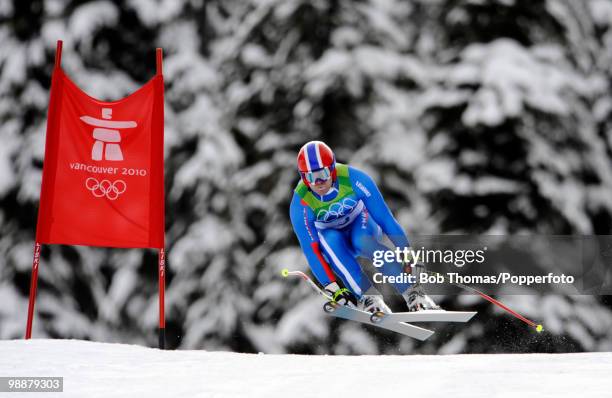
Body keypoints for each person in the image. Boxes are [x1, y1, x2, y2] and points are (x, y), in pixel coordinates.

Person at [289, 140, 439, 314]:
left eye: (322, 174)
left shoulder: (354, 179)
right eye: (310, 177)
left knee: (363, 241)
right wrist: (333, 288)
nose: (318, 182)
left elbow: (385, 219)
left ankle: (413, 293)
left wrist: (407, 254)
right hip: (335, 243)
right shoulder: (300, 203)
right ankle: (369, 297)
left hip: (361, 226)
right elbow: (311, 250)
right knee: (329, 239)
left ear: (332, 169)